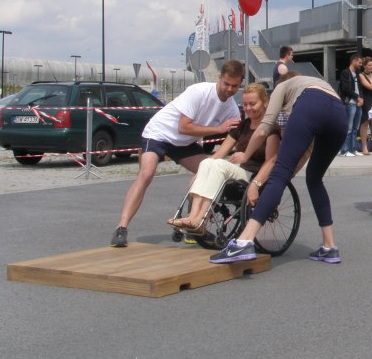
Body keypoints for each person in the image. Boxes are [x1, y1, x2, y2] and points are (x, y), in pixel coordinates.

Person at [209, 74, 347, 265]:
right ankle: (330, 246)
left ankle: (244, 241)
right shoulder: (308, 87)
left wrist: (247, 157)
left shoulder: (282, 88)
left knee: (279, 173)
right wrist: (284, 179)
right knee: (314, 179)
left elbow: (263, 130)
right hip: (340, 114)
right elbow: (305, 151)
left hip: (312, 105)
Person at [110, 60, 244, 247]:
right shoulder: (199, 92)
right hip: (159, 133)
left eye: (235, 86)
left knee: (210, 172)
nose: (229, 89)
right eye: (226, 84)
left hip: (184, 143)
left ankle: (193, 224)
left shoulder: (231, 107)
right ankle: (121, 228)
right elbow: (184, 127)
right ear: (220, 78)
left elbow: (235, 136)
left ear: (240, 84)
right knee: (146, 174)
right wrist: (218, 128)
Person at [167, 83, 279, 233]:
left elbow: (270, 161)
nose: (248, 108)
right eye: (245, 104)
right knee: (207, 162)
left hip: (251, 176)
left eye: (252, 104)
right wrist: (200, 173)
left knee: (218, 165)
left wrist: (256, 183)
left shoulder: (271, 128)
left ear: (265, 102)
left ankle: (201, 218)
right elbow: (220, 152)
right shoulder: (242, 126)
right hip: (235, 171)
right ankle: (193, 216)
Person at [338, 54, 363, 156]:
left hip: (358, 103)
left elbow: (359, 88)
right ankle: (345, 150)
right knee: (348, 127)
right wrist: (357, 97)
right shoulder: (345, 73)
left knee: (355, 128)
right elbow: (345, 89)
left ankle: (353, 149)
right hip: (350, 103)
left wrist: (361, 99)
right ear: (354, 61)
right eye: (359, 62)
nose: (361, 64)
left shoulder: (357, 73)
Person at [358, 57, 372, 156]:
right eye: (369, 65)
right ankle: (364, 146)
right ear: (364, 66)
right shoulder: (361, 75)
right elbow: (370, 86)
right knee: (365, 122)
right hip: (366, 99)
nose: (371, 67)